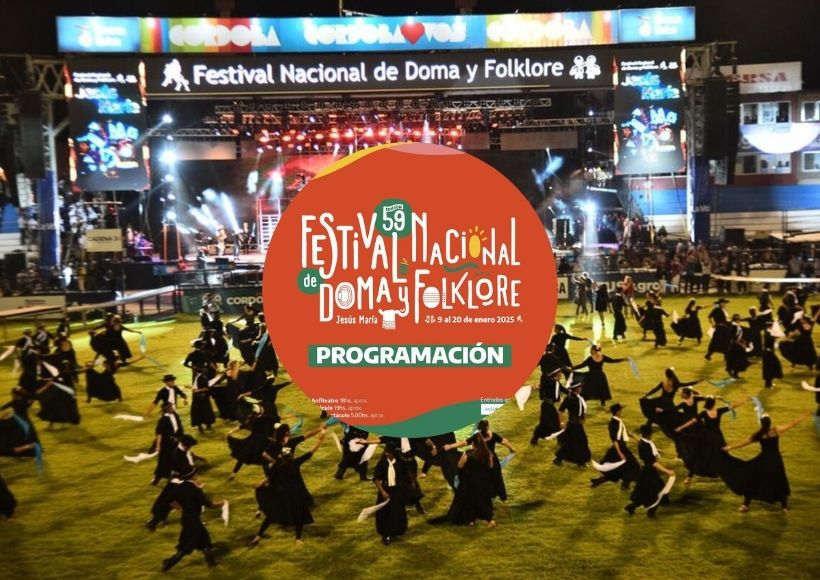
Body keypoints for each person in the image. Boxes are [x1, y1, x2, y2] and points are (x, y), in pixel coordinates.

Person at [722, 412, 811, 512]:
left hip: (763, 460)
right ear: (770, 422)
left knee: (754, 480)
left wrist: (729, 447)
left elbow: (743, 443)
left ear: (761, 423)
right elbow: (793, 423)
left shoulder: (759, 435)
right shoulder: (776, 430)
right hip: (776, 460)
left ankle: (745, 505)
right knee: (779, 480)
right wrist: (804, 416)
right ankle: (784, 506)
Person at [251, 429, 326, 545]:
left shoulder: (278, 466)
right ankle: (298, 539)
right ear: (290, 455)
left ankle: (258, 536)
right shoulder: (296, 463)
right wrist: (320, 440)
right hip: (295, 494)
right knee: (299, 516)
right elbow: (311, 452)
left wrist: (260, 484)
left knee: (271, 515)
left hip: (282, 494)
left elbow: (270, 478)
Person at [160, 467, 226, 571]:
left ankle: (212, 563)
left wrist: (180, 508)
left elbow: (168, 499)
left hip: (187, 518)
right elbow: (207, 504)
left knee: (205, 541)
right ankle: (169, 564)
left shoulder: (180, 487)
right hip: (193, 521)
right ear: (193, 475)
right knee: (186, 546)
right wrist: (220, 504)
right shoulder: (195, 489)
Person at [444, 419, 514, 503]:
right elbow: (504, 441)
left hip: (481, 461)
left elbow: (464, 443)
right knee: (498, 478)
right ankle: (503, 498)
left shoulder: (477, 437)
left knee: (481, 480)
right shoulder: (492, 435)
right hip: (492, 460)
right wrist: (511, 449)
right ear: (487, 427)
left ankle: (484, 497)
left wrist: (450, 446)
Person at [443, 437, 497, 528]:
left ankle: (489, 520)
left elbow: (460, 465)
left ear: (473, 444)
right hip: (483, 482)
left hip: (469, 482)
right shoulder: (487, 453)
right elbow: (491, 466)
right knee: (479, 500)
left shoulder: (468, 453)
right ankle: (471, 519)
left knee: (474, 501)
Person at [624, 424, 675, 517]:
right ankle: (651, 512)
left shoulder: (644, 442)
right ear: (648, 434)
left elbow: (641, 441)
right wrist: (667, 471)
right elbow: (653, 463)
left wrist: (656, 450)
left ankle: (632, 506)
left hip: (647, 471)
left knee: (646, 491)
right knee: (659, 490)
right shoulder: (645, 446)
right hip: (649, 471)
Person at [590, 403, 640, 490]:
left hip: (621, 447)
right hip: (619, 448)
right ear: (617, 412)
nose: (622, 411)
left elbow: (625, 432)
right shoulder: (613, 423)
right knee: (634, 466)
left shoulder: (619, 421)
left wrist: (637, 439)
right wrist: (620, 452)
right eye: (620, 410)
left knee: (618, 469)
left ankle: (599, 481)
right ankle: (625, 485)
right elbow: (615, 440)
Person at [373, 444, 410, 544]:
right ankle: (386, 535)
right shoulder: (382, 464)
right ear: (386, 453)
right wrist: (383, 491)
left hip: (397, 491)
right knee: (385, 513)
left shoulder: (400, 463)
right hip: (386, 490)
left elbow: (406, 476)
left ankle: (395, 532)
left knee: (397, 512)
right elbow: (376, 479)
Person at [554, 380, 591, 467]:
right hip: (573, 424)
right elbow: (561, 411)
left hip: (578, 424)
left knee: (574, 442)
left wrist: (583, 418)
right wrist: (561, 422)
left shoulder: (579, 397)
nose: (581, 388)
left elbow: (582, 409)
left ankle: (562, 459)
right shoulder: (569, 399)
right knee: (580, 441)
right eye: (579, 387)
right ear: (576, 389)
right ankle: (580, 462)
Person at [531, 367, 567, 444]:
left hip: (550, 405)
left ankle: (535, 438)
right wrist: (537, 387)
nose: (561, 374)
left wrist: (571, 393)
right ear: (556, 373)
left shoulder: (557, 382)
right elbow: (542, 386)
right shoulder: (549, 381)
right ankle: (560, 441)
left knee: (545, 424)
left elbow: (563, 389)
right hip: (547, 406)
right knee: (553, 423)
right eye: (559, 372)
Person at [151, 402, 184, 486]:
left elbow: (179, 427)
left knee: (178, 460)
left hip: (176, 441)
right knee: (164, 461)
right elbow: (159, 434)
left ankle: (179, 478)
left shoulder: (175, 415)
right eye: (170, 407)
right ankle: (156, 479)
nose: (172, 408)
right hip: (167, 444)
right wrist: (158, 446)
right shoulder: (163, 420)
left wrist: (179, 437)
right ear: (166, 409)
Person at [762, 321, 783, 389]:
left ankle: (769, 383)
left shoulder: (768, 333)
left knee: (772, 367)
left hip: (769, 353)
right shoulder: (768, 334)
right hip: (768, 353)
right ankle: (768, 384)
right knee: (769, 368)